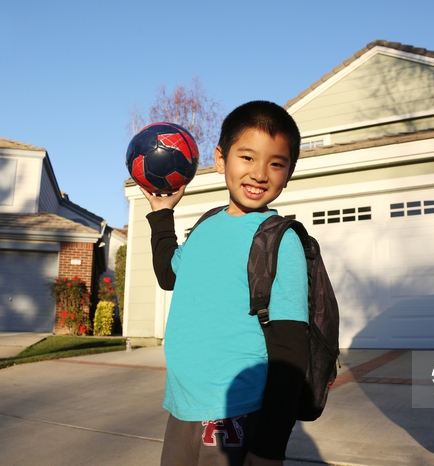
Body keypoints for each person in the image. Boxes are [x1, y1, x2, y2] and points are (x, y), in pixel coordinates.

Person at [141, 100, 309, 466]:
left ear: (289, 171)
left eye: (276, 163)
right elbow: (169, 275)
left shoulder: (281, 239)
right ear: (221, 159)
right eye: (247, 157)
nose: (260, 173)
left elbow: (291, 352)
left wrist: (268, 447)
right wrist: (162, 213)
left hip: (238, 413)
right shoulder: (206, 225)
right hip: (183, 405)